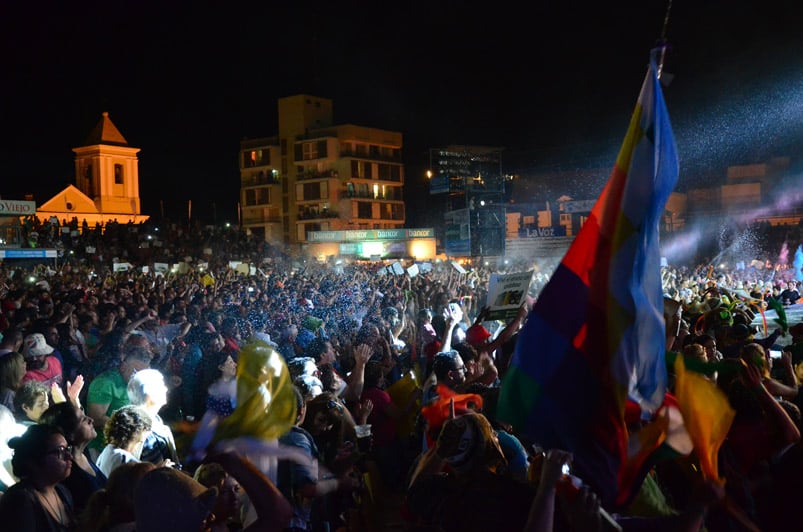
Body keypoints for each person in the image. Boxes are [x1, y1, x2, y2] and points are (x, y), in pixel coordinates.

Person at [0, 424, 77, 530]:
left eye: (67, 449)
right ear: (33, 460)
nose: (69, 456)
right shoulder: (20, 501)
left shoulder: (62, 491)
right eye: (60, 451)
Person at [39, 402, 107, 514]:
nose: (91, 420)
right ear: (70, 433)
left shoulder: (83, 456)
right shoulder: (67, 471)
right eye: (83, 419)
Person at [85, 345, 151, 458]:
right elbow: (96, 419)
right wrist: (132, 428)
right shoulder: (105, 383)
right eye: (136, 372)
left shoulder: (135, 383)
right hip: (103, 448)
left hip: (126, 444)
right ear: (123, 366)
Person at [126, 368, 178, 466]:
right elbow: (153, 473)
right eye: (161, 385)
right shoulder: (145, 432)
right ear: (150, 393)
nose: (166, 389)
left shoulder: (153, 419)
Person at [95, 405, 153, 477]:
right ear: (134, 434)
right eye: (139, 442)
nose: (138, 448)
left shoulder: (108, 450)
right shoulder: (123, 458)